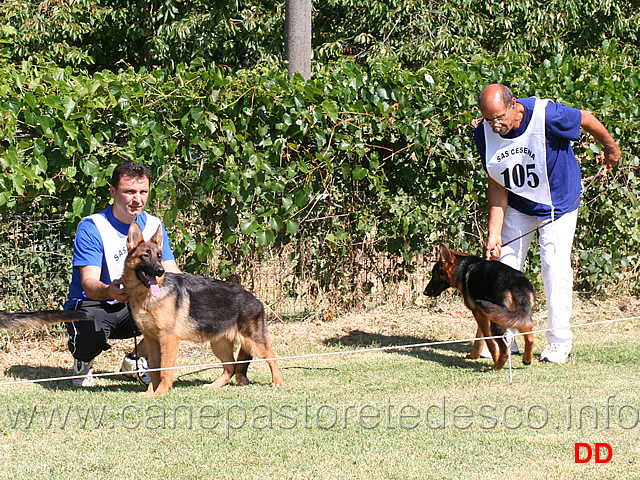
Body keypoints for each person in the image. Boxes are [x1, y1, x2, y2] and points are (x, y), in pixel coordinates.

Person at [474, 84, 621, 364]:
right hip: (519, 204)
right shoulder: (484, 133)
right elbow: (496, 183)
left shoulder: (546, 114)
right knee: (502, 269)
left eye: (499, 118)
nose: (494, 125)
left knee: (554, 267)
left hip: (559, 203)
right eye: (488, 119)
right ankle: (505, 339)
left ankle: (559, 343)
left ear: (514, 105)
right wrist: (494, 234)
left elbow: (586, 118)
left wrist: (610, 148)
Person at [64, 161, 181, 386]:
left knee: (176, 314)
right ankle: (83, 361)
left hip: (138, 303)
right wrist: (110, 290)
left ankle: (135, 360)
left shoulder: (154, 224)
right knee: (91, 338)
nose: (137, 199)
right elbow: (88, 283)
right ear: (113, 191)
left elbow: (173, 271)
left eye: (143, 192)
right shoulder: (93, 226)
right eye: (129, 192)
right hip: (95, 303)